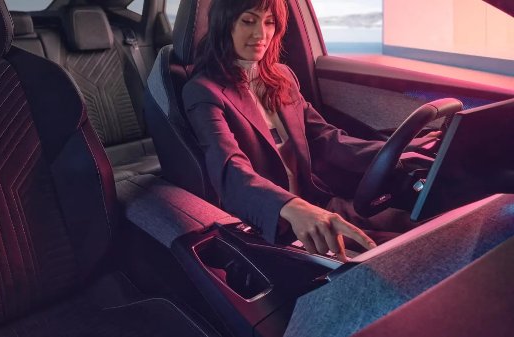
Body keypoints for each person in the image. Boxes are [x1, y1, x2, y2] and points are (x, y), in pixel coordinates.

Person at [182, 0, 436, 261]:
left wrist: (401, 149)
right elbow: (230, 171)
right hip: (279, 222)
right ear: (224, 25)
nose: (261, 34)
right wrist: (290, 206)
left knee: (426, 227)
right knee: (411, 256)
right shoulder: (203, 91)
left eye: (269, 22)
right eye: (248, 21)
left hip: (320, 203)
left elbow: (327, 138)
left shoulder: (281, 76)